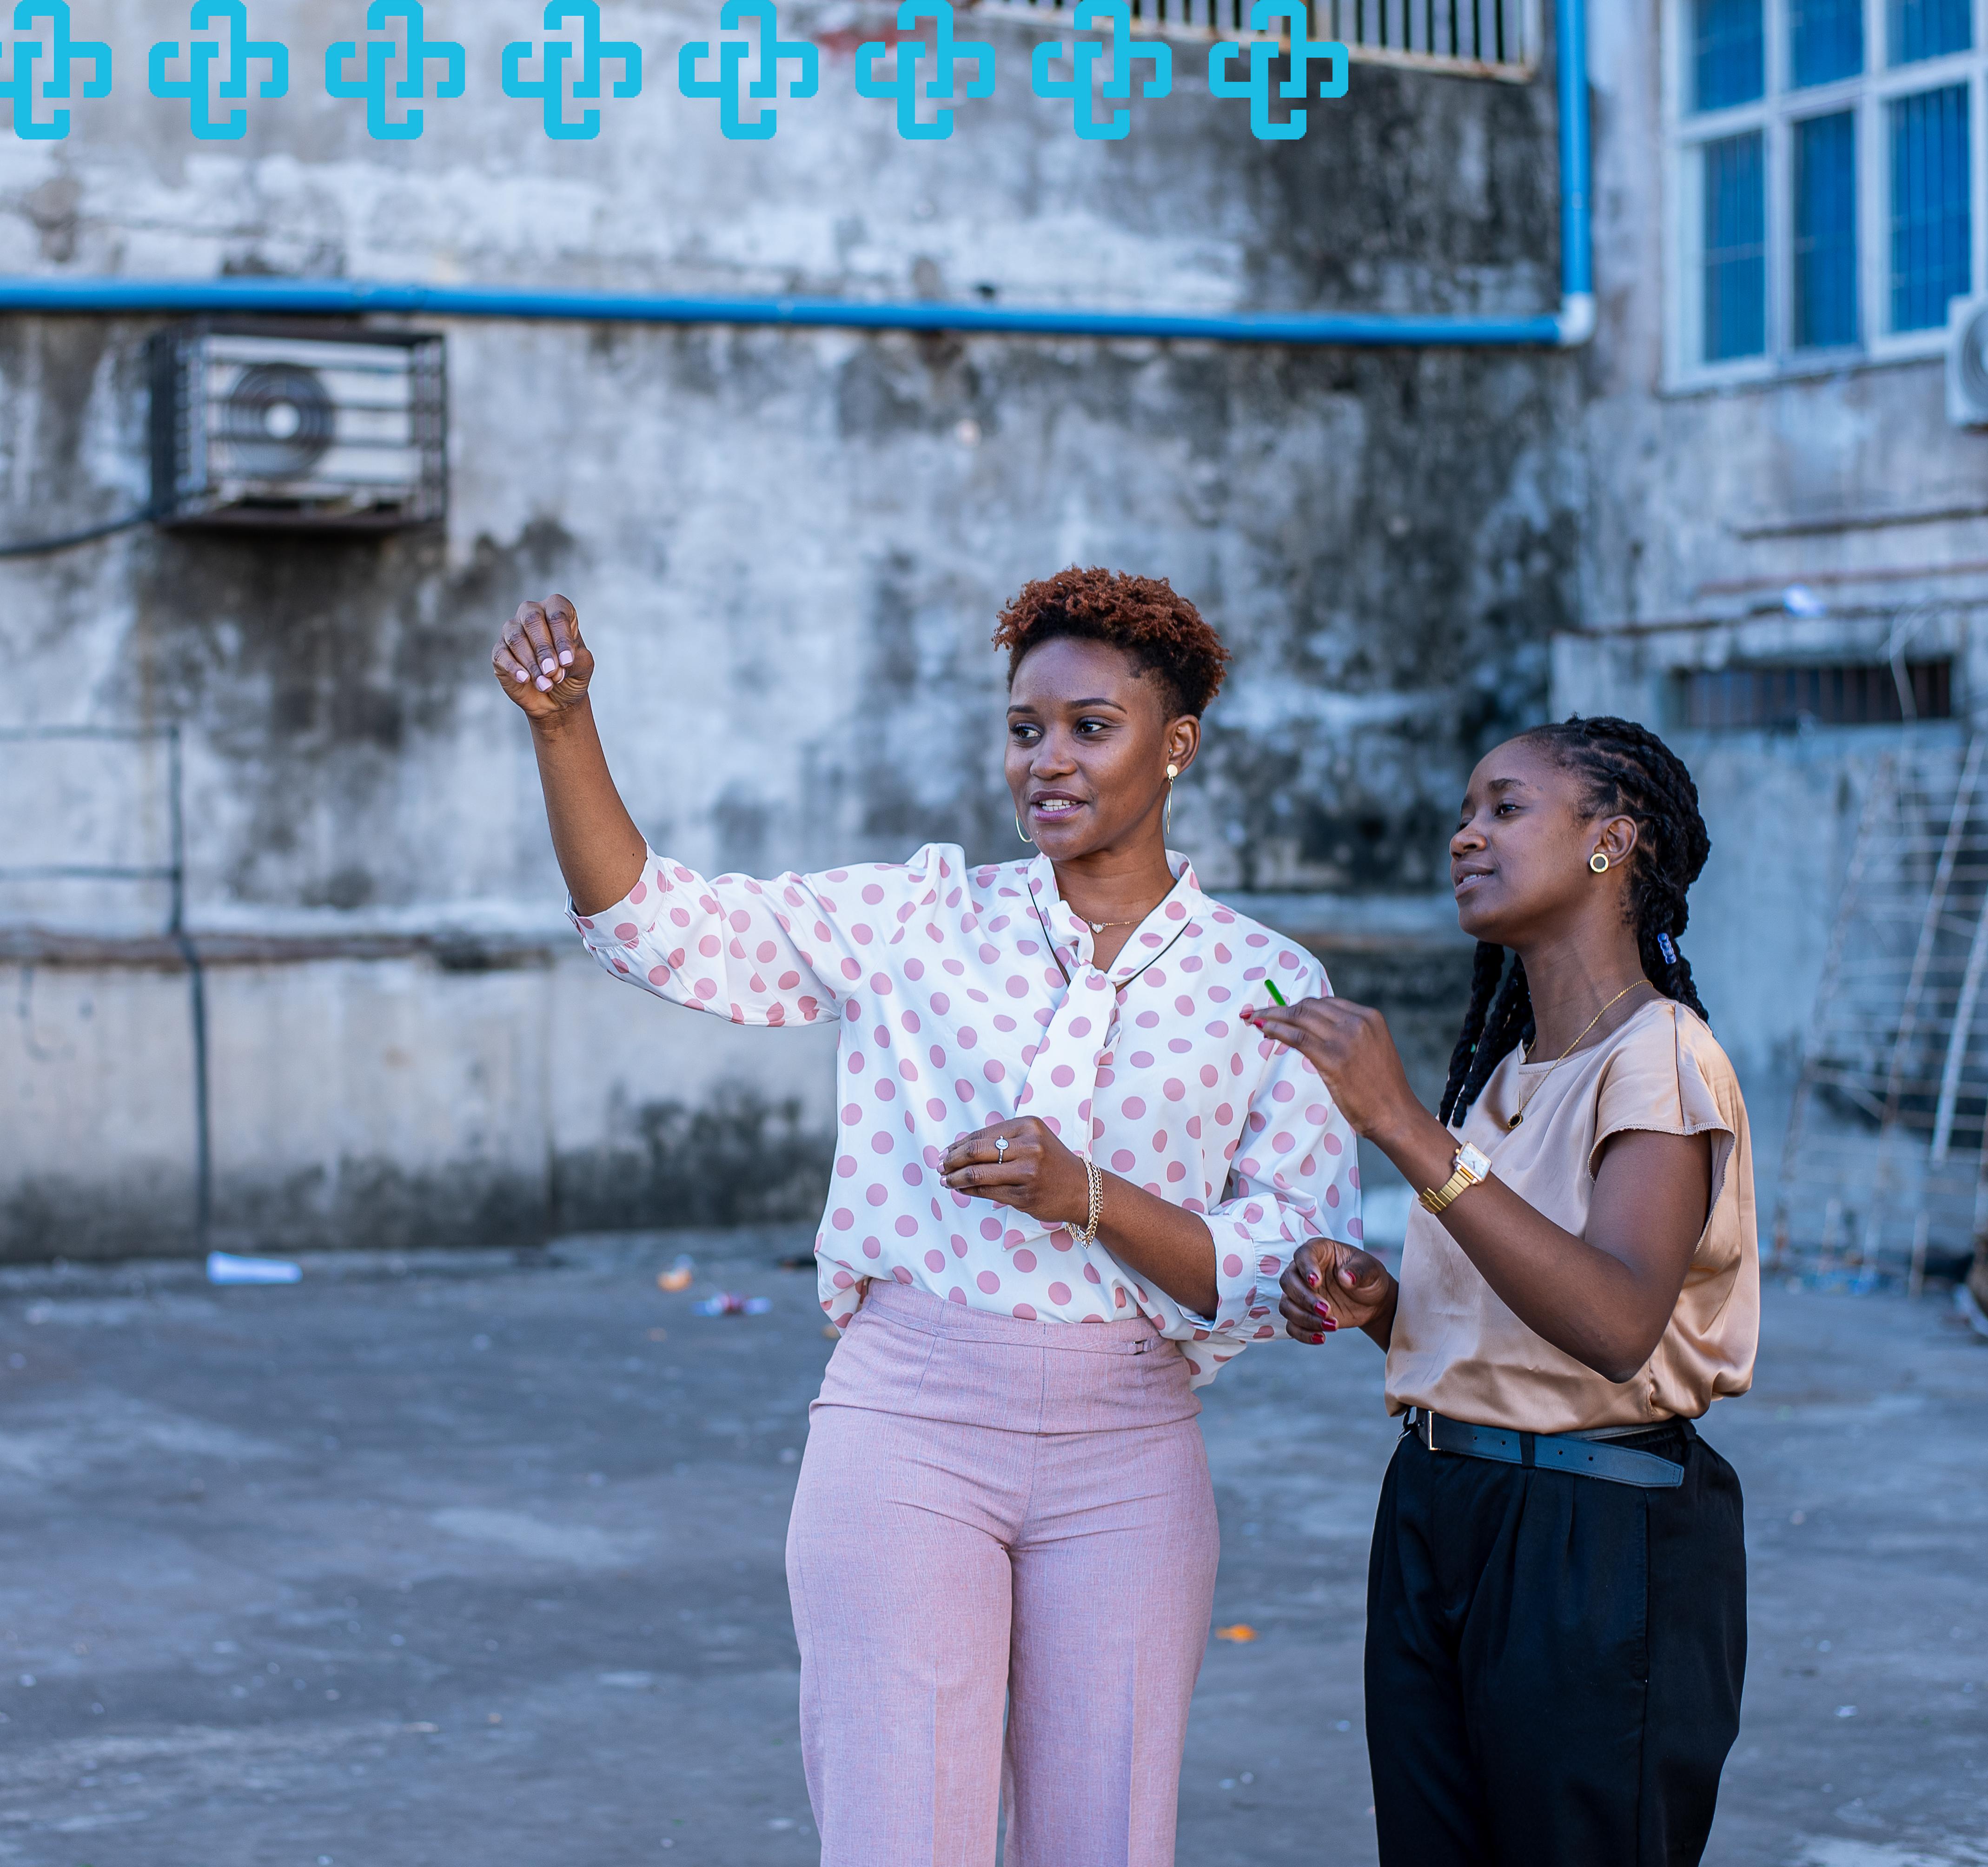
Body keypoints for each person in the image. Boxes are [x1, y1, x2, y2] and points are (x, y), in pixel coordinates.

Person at [490, 569, 1359, 1867]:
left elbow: (1284, 1258)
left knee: (1108, 1838)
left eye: (1090, 727)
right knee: (898, 1833)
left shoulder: (1270, 982)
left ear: (1175, 744)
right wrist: (563, 729)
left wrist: (1093, 1199)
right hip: (905, 1424)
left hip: (1131, 1448)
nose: (1046, 759)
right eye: (1023, 728)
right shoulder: (920, 916)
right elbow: (656, 928)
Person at [1245, 717, 1754, 1867]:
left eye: (1504, 808)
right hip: (1439, 1504)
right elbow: (1516, 1318)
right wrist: (1382, 1304)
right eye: (1465, 811)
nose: (1464, 835)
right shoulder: (1503, 1076)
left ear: (1610, 841)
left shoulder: (1659, 1055)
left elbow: (1615, 1324)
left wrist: (1399, 1125)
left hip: (1591, 1532)